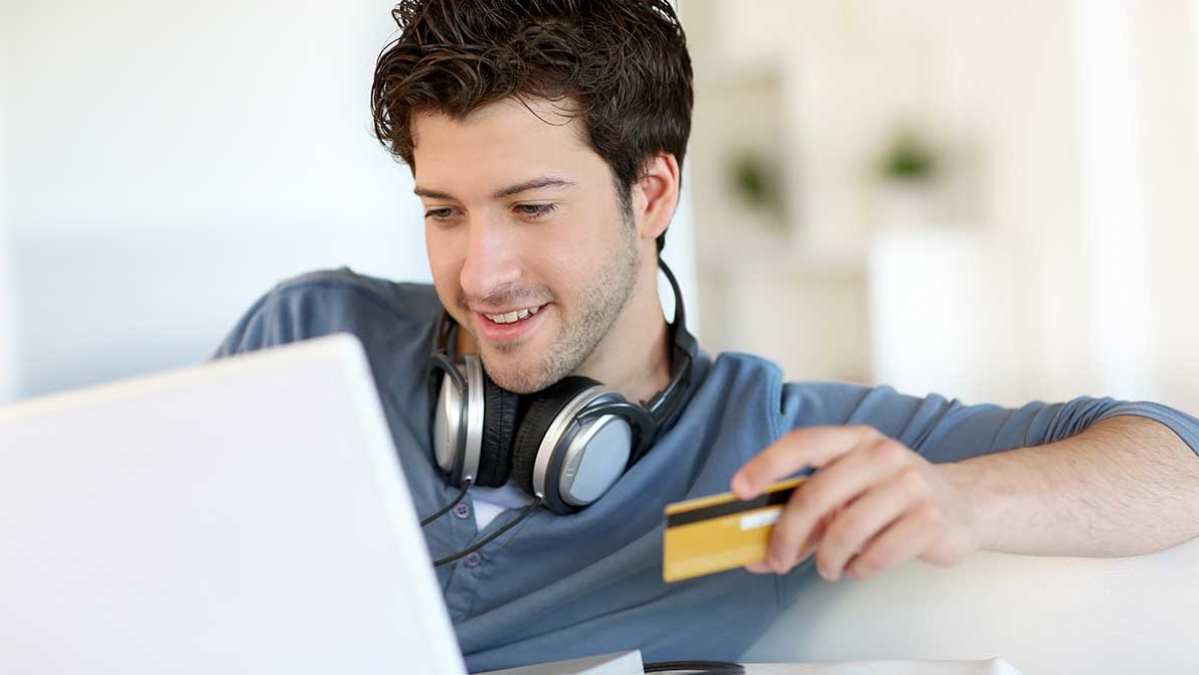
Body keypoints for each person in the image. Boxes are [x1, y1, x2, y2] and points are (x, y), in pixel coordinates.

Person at [214, 0, 1199, 670]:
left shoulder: (759, 445)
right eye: (443, 212)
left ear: (650, 191)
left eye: (530, 206)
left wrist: (956, 496)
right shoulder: (309, 332)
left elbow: (1176, 460)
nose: (480, 273)